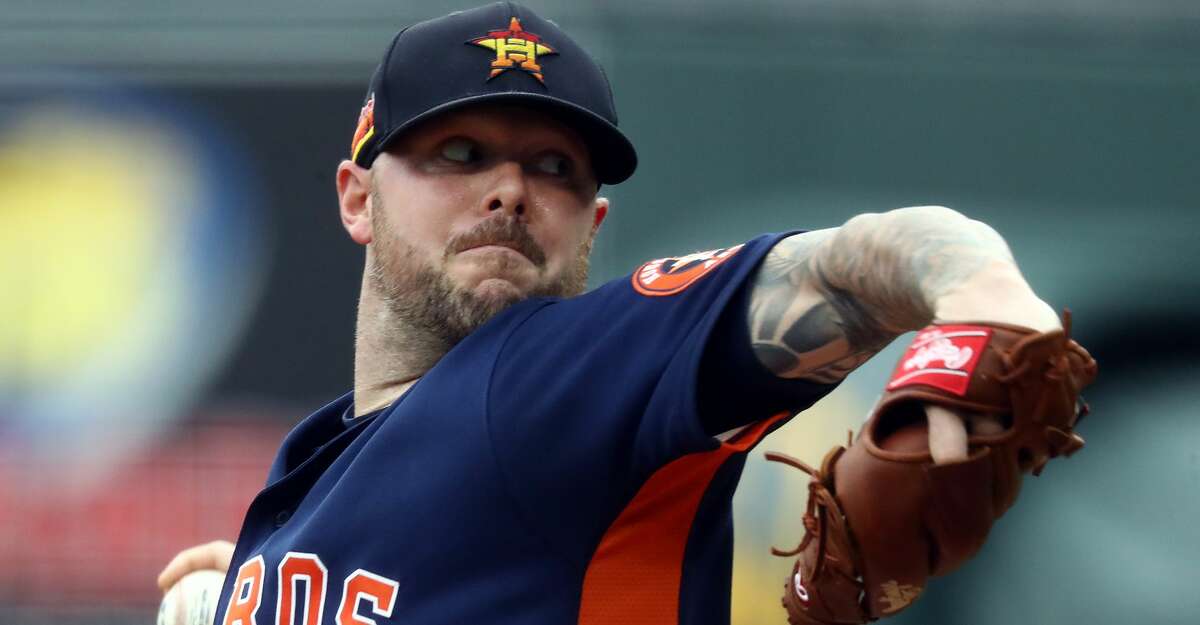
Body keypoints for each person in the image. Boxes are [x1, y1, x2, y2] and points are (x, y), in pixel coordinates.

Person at [158, 3, 1064, 624]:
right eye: (461, 151)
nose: (510, 190)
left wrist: (983, 294)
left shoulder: (563, 372)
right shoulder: (309, 464)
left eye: (555, 167)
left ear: (593, 225)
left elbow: (864, 258)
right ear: (358, 199)